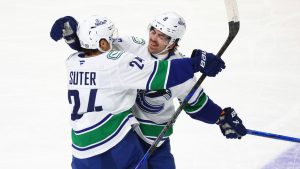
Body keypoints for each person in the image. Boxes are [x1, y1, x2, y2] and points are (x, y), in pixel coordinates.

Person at [50, 13, 246, 169]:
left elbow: (197, 104)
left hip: (156, 140)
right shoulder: (131, 46)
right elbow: (102, 50)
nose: (154, 38)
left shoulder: (179, 67)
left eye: (162, 36)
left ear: (173, 41)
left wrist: (220, 117)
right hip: (126, 137)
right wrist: (195, 64)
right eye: (153, 31)